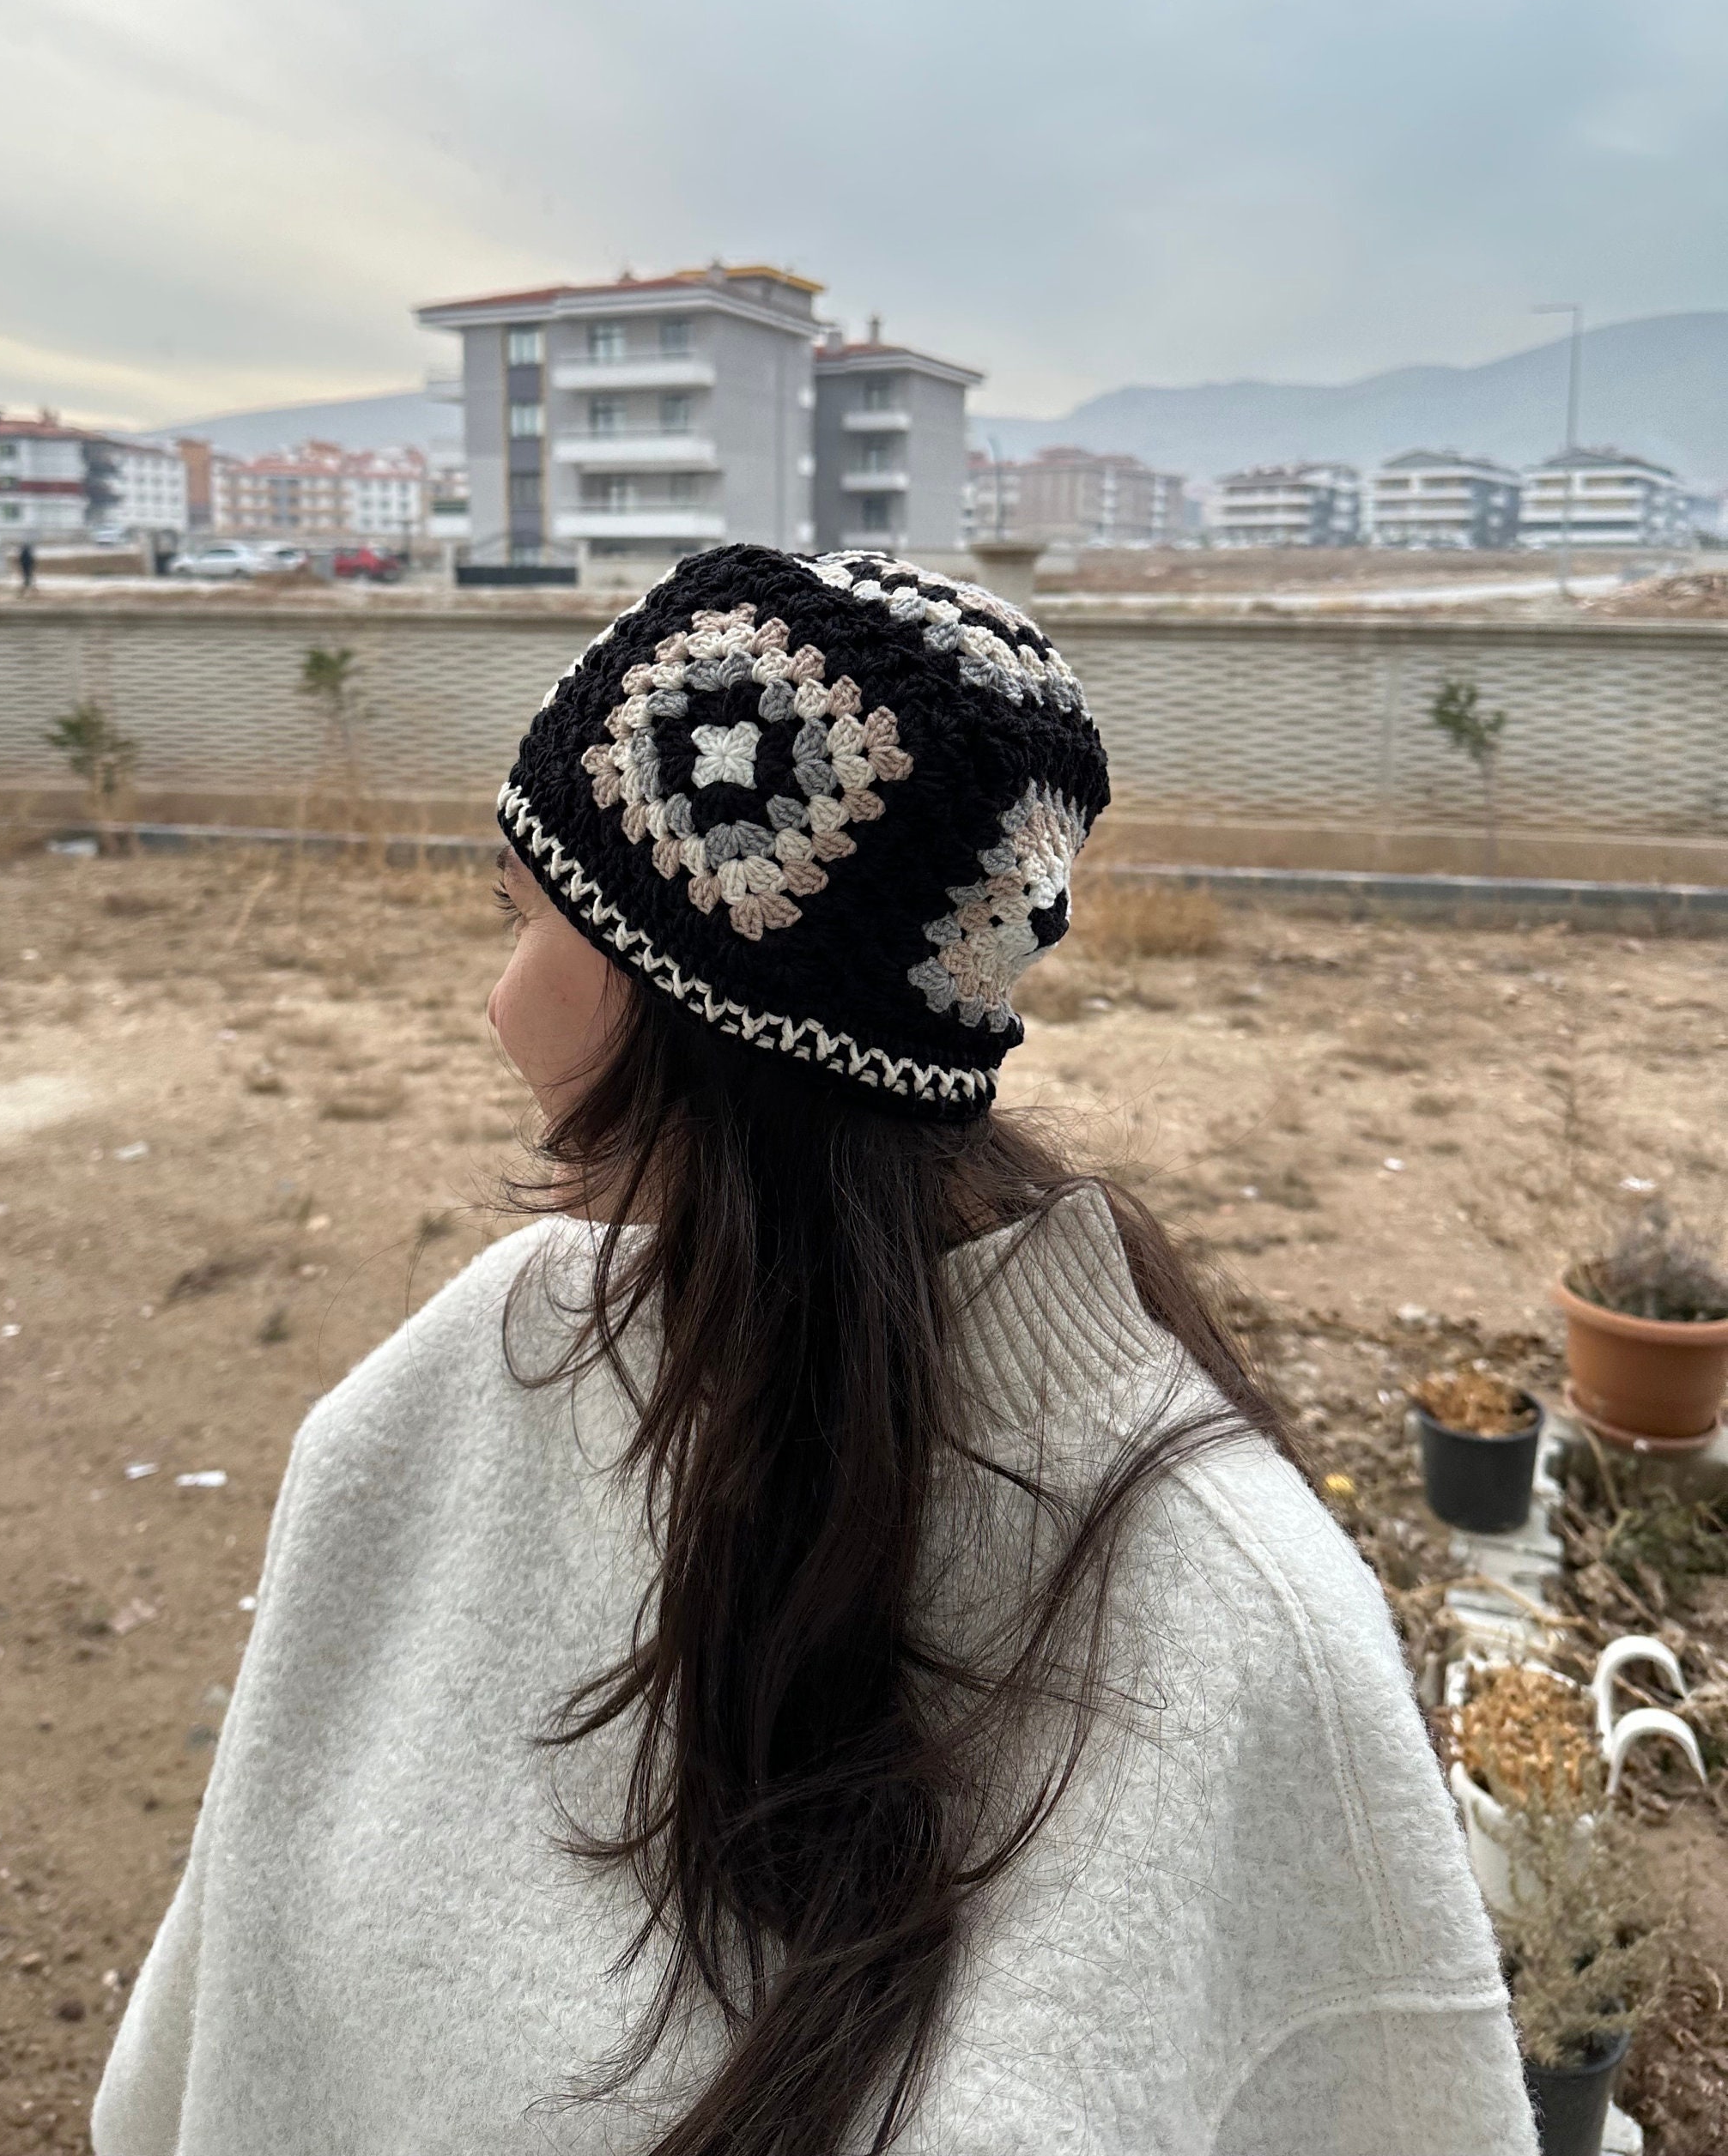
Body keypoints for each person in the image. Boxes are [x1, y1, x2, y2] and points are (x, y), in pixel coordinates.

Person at [92, 545, 1535, 2156]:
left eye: (525, 923)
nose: (500, 1011)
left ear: (702, 1007)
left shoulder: (1250, 1625)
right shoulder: (447, 1394)